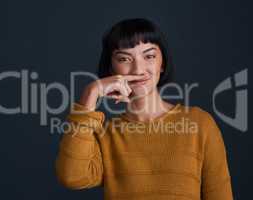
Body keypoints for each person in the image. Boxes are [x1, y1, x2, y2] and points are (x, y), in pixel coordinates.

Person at [55, 18, 233, 200]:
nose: (138, 69)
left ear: (162, 63)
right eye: (124, 58)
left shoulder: (200, 124)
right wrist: (91, 91)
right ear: (111, 68)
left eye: (149, 56)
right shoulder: (106, 136)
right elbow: (72, 177)